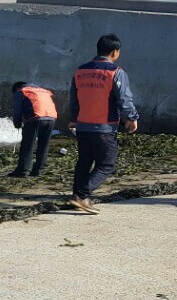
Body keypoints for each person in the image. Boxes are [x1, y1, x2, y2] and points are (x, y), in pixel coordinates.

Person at [68, 34, 139, 214]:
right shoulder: (116, 72)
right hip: (104, 127)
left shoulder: (80, 71)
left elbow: (74, 99)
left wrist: (74, 119)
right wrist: (131, 118)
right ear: (115, 52)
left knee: (84, 161)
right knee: (106, 164)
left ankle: (77, 194)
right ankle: (82, 196)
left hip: (83, 126)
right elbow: (124, 99)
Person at [8, 82, 58, 177]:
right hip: (51, 118)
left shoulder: (20, 92)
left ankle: (22, 171)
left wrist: (17, 124)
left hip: (35, 118)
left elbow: (17, 111)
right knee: (44, 145)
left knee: (28, 145)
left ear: (17, 88)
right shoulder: (43, 91)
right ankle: (38, 171)